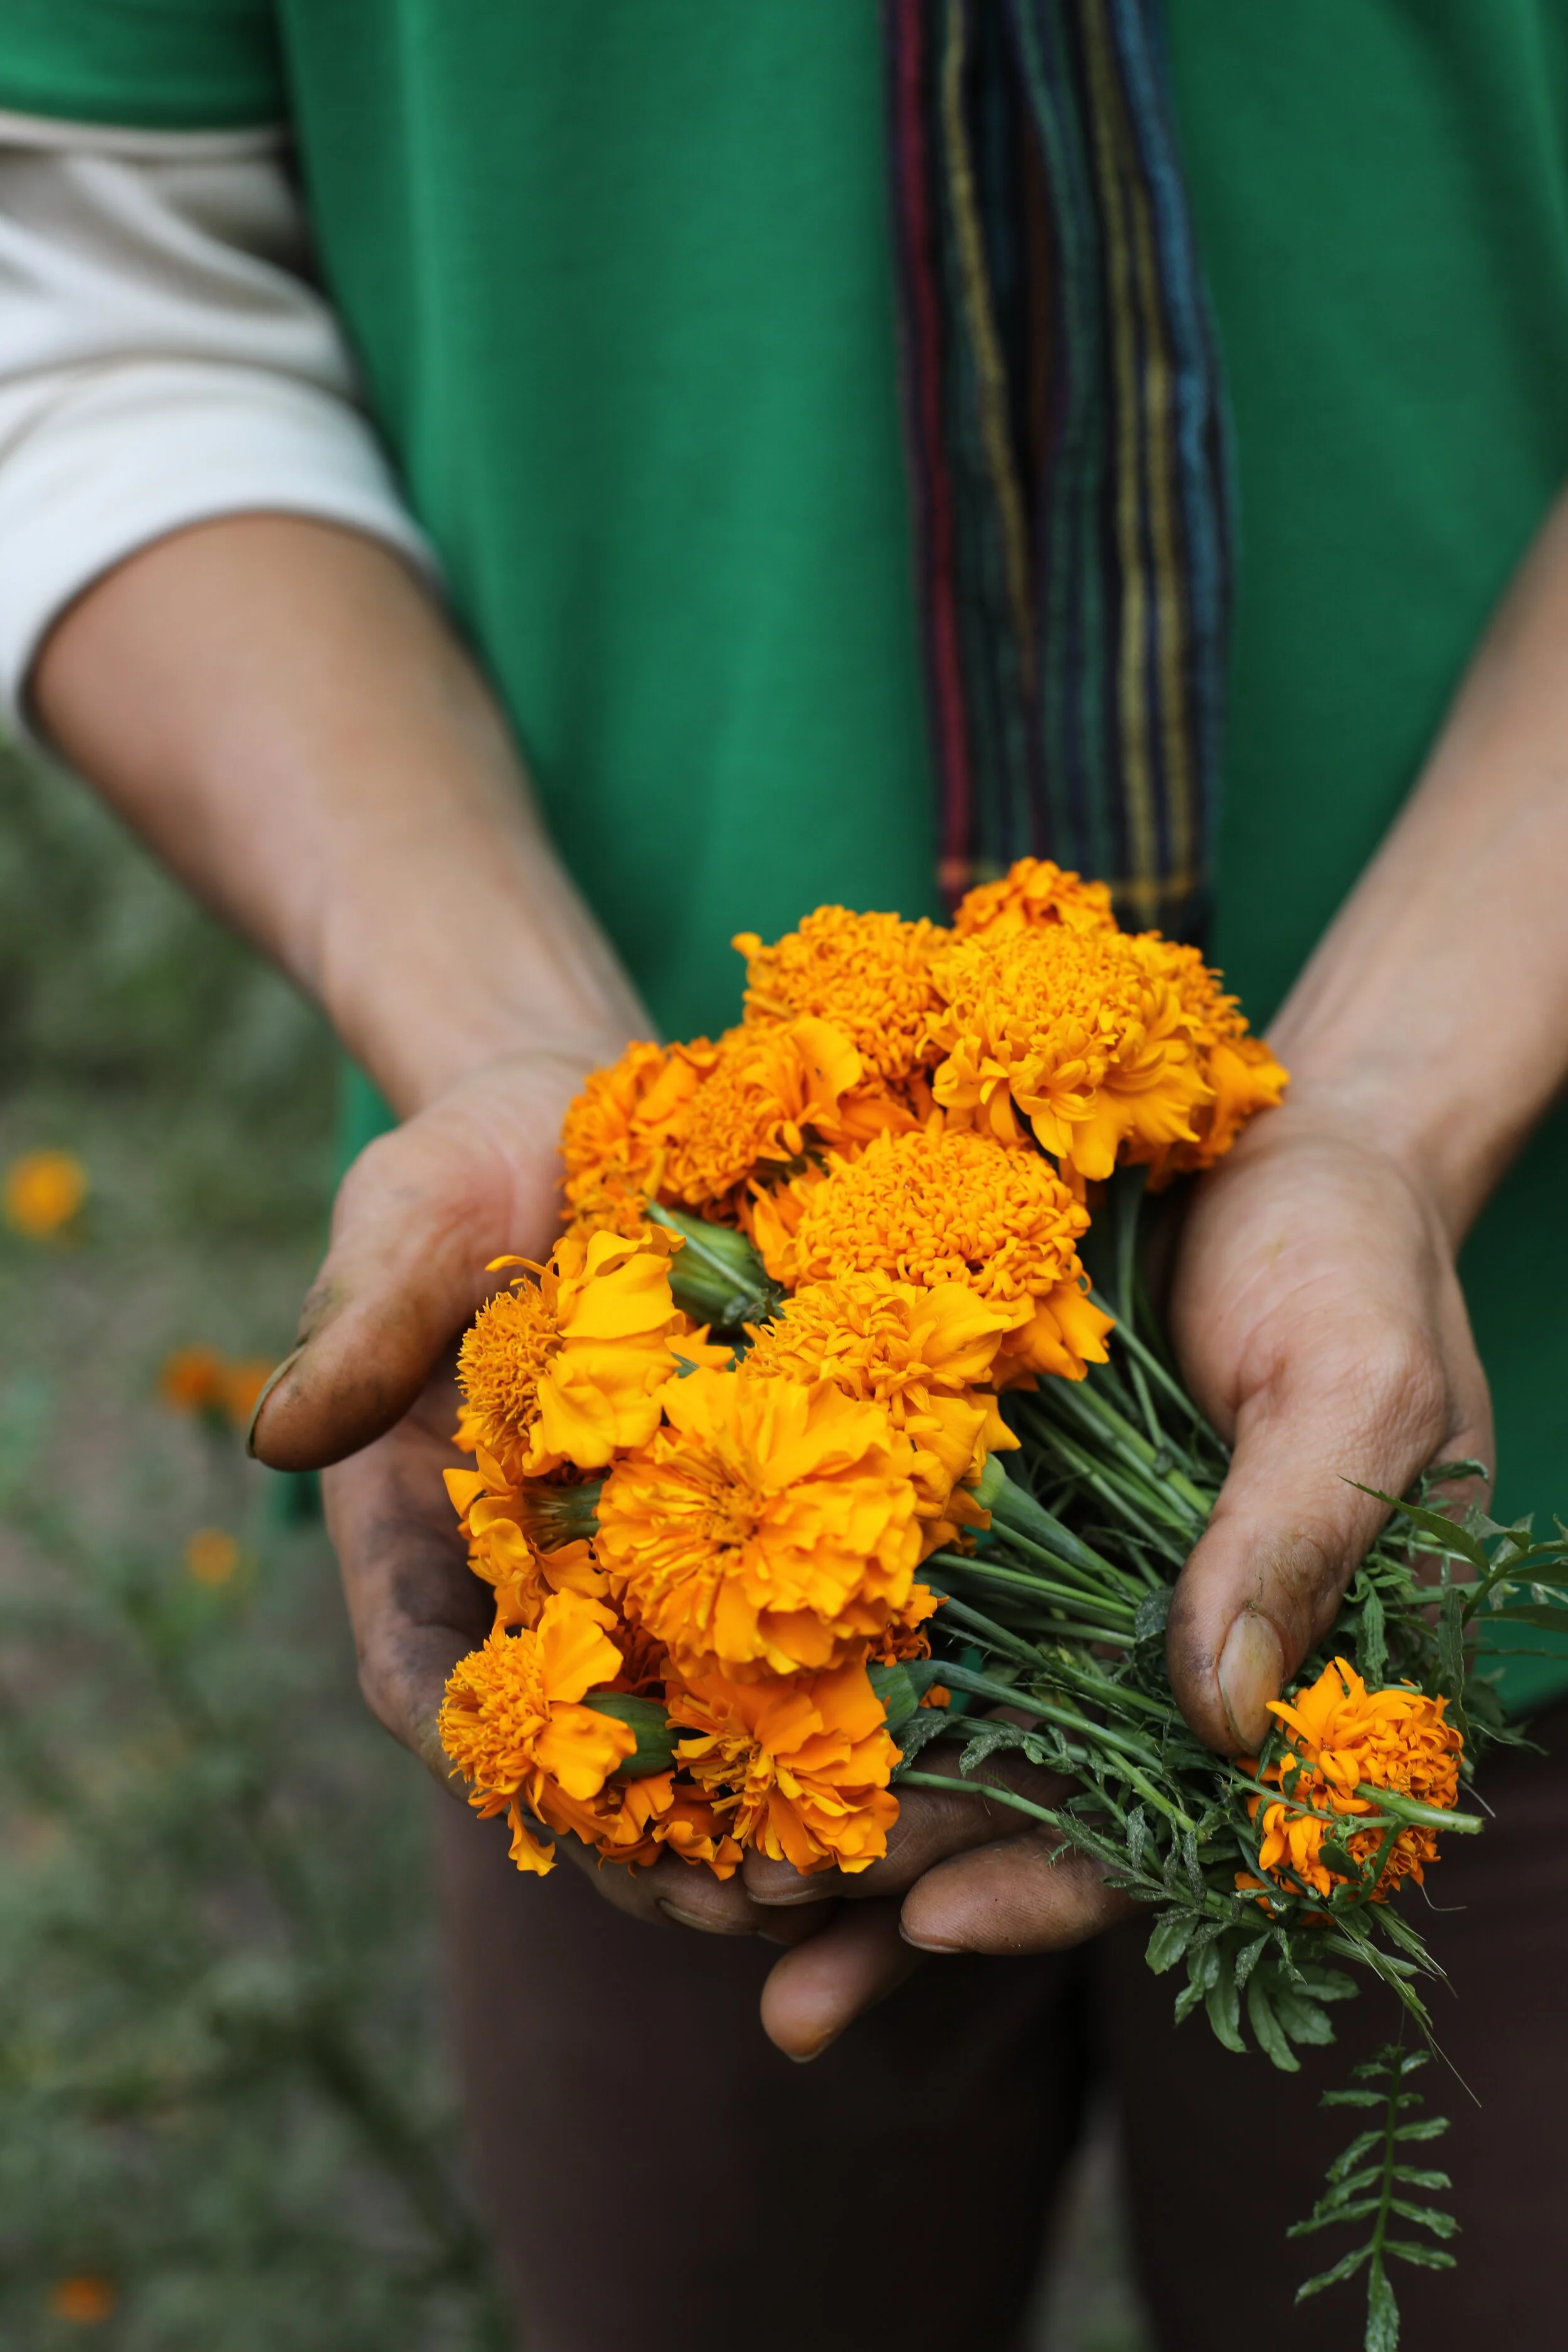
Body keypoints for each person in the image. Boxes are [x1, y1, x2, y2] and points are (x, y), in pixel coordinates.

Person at [3, 8, 1568, 2346]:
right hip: (593, 1484)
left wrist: (1396, 1095)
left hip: (1519, 1393)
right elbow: (94, 274)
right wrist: (501, 1025)